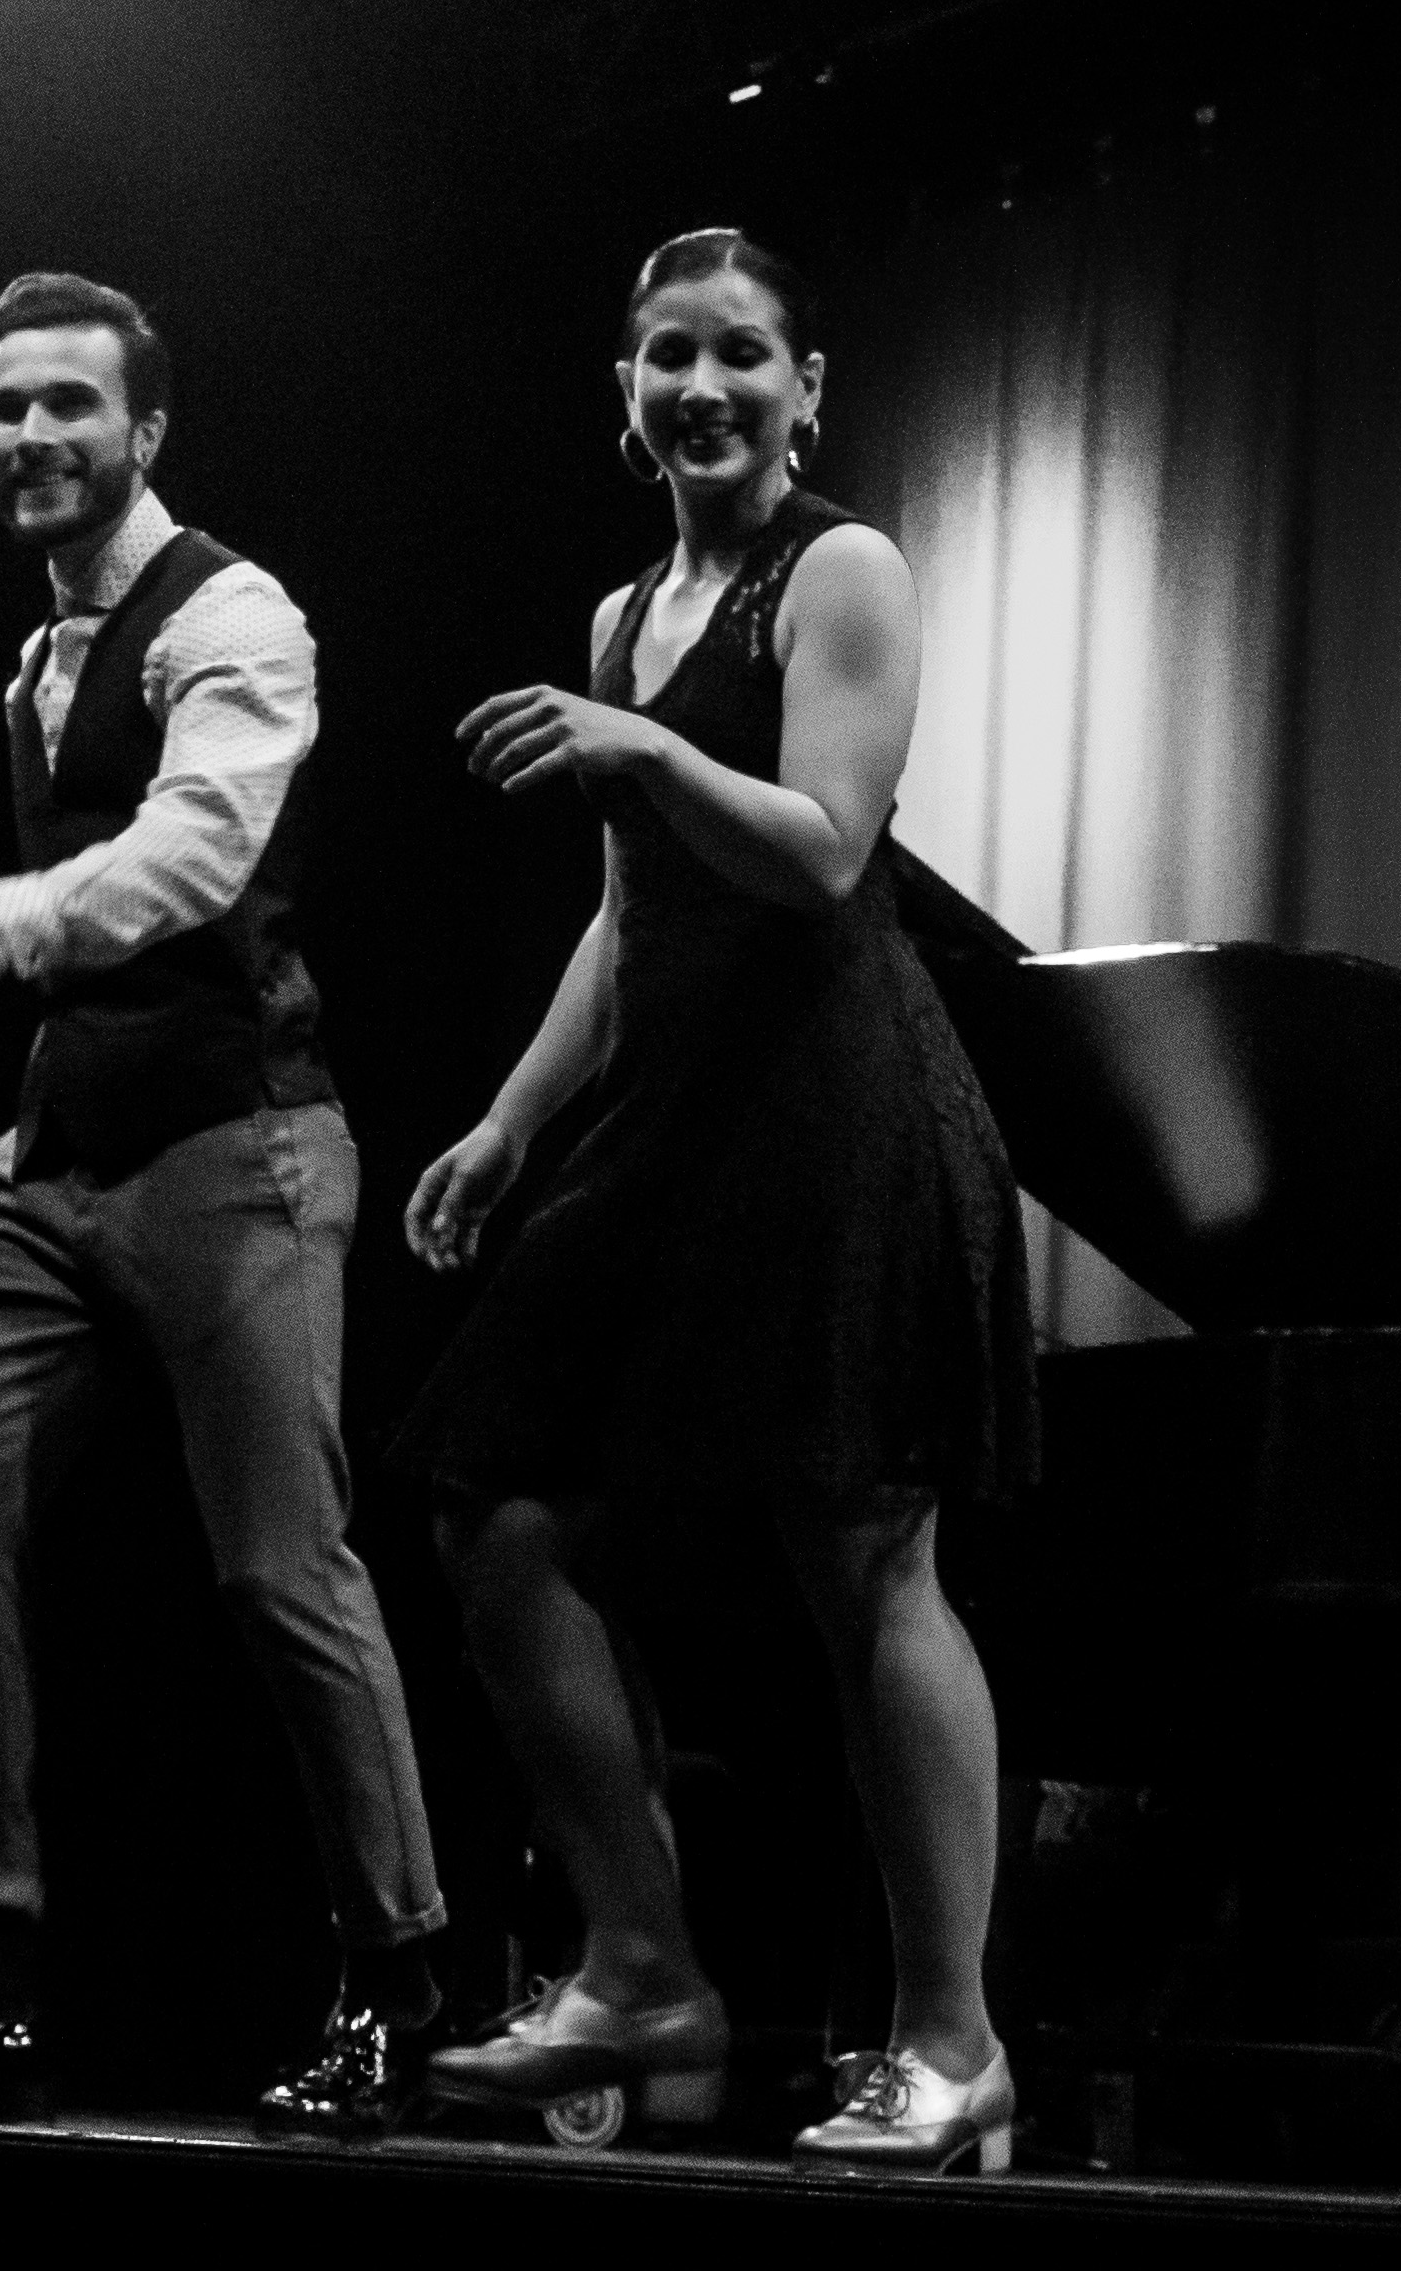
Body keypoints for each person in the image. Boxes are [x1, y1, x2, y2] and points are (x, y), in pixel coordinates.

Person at [0, 271, 447, 2134]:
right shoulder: (37, 660)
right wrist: (32, 1119)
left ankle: (397, 1986)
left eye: (69, 404)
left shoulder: (230, 614)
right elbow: (98, 941)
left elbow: (199, 850)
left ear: (145, 428)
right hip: (61, 1176)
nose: (31, 438)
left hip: (241, 1150)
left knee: (279, 1572)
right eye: (5, 409)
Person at [395, 226, 1035, 2175]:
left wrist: (647, 745)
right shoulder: (621, 618)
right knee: (493, 1511)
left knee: (865, 1563)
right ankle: (642, 1965)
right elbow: (632, 920)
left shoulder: (843, 573)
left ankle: (955, 2046)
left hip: (838, 1116)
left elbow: (827, 853)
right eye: (668, 354)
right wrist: (511, 1123)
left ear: (805, 387)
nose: (703, 388)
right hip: (673, 1130)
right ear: (624, 389)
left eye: (742, 354)